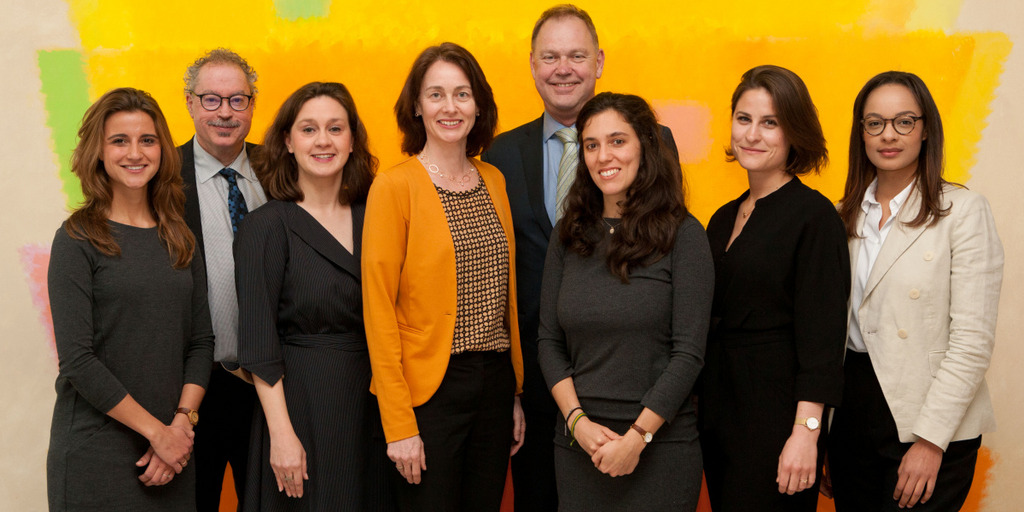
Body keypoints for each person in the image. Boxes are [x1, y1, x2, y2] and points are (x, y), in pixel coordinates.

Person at [480, 6, 680, 509]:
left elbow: (670, 252)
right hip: (540, 376)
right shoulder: (499, 153)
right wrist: (514, 389)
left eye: (576, 55)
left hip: (633, 382)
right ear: (531, 64)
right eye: (550, 56)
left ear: (600, 62)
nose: (563, 68)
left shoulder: (655, 142)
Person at [829, 71, 1003, 511]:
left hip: (928, 415)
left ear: (926, 129)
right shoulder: (840, 216)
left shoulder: (961, 211)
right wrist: (824, 432)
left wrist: (930, 442)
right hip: (851, 411)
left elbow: (972, 341)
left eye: (904, 121)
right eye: (875, 123)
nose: (889, 134)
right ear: (861, 133)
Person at [362, 42, 525, 512]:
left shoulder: (493, 180)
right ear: (416, 105)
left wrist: (513, 394)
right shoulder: (395, 187)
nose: (450, 107)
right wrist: (399, 425)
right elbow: (378, 311)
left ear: (478, 106)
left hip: (494, 385)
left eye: (462, 94)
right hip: (428, 394)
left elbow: (503, 299)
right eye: (435, 94)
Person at [535, 92, 712, 512]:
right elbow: (548, 340)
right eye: (591, 145)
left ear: (645, 147)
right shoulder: (567, 234)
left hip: (660, 449)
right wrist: (577, 423)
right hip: (580, 446)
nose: (602, 156)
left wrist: (638, 437)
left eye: (617, 141)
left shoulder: (684, 235)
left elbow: (688, 353)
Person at [46, 87, 214, 511]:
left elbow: (201, 342)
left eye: (148, 140)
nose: (135, 153)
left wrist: (180, 425)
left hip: (173, 456)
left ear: (162, 150)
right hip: (96, 453)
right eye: (119, 140)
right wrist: (157, 434)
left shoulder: (180, 238)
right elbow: (78, 360)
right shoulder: (76, 239)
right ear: (98, 153)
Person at [698, 65, 850, 511]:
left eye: (770, 123)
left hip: (777, 420)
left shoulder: (815, 217)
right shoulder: (722, 217)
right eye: (744, 119)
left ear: (793, 132)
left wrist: (806, 434)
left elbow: (823, 340)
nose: (752, 134)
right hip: (719, 413)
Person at [236, 81, 393, 511]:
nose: (323, 140)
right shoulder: (264, 228)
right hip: (302, 408)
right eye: (308, 129)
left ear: (352, 140)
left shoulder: (379, 214)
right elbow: (259, 344)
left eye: (335, 128)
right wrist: (282, 434)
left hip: (376, 408)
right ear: (287, 141)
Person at [179, 48, 267, 511]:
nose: (225, 113)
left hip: (270, 387)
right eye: (211, 100)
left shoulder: (282, 170)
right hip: (193, 388)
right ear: (190, 103)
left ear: (253, 105)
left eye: (238, 100)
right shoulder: (161, 178)